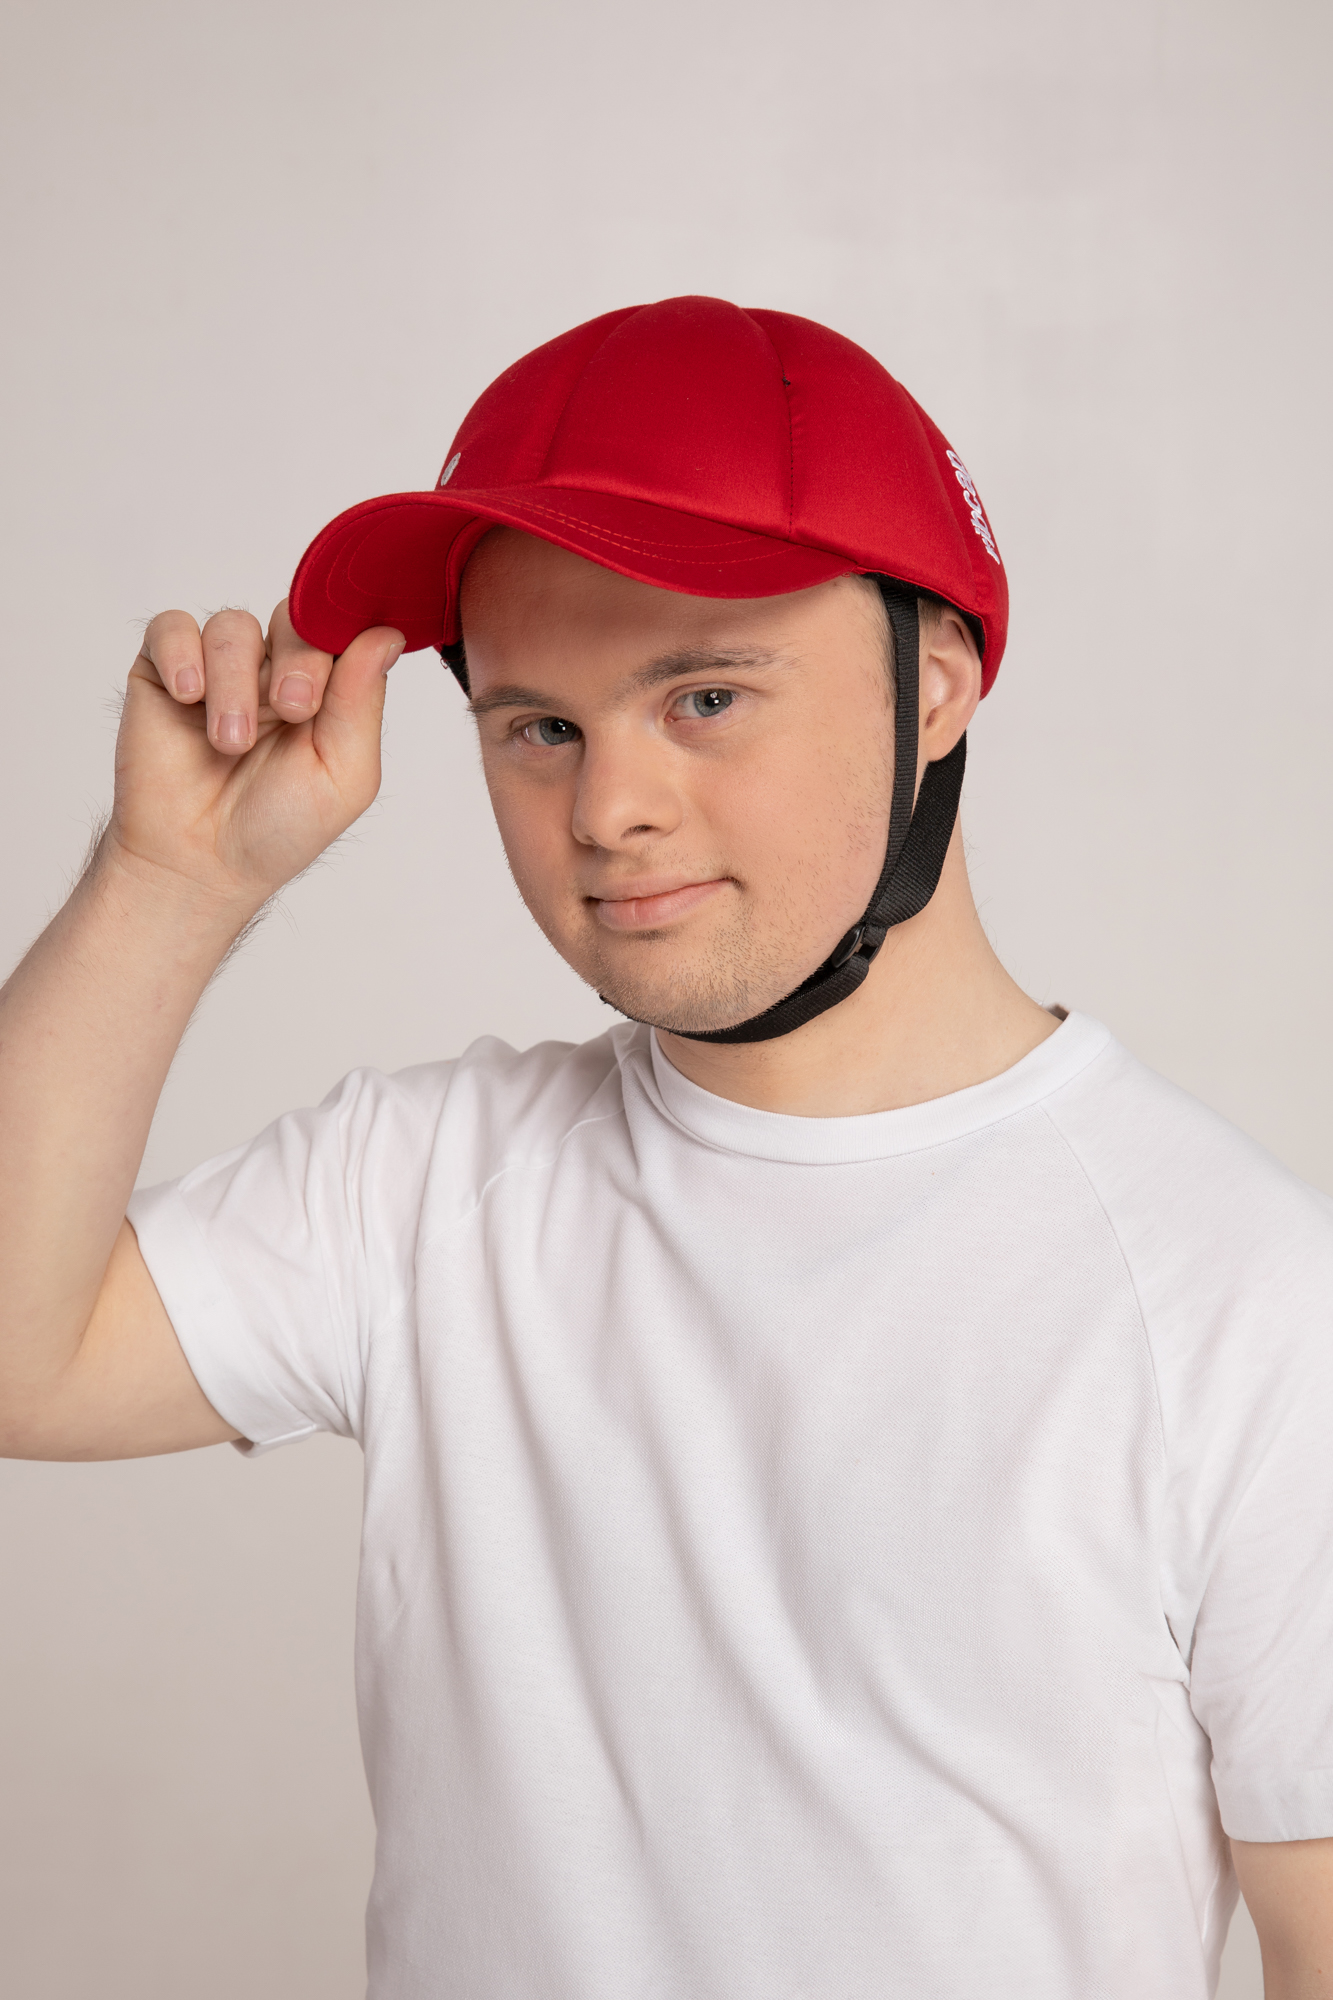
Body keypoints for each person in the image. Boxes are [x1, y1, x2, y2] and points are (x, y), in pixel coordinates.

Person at [1, 295, 1329, 2000]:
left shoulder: (1240, 1303)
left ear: (933, 687)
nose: (606, 808)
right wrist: (168, 882)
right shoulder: (427, 1191)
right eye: (536, 725)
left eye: (702, 695)